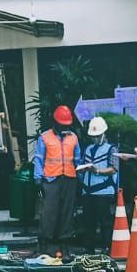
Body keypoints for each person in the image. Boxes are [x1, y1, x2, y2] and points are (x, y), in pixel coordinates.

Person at [35, 105, 81, 254]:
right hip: (50, 180)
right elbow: (39, 159)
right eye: (62, 124)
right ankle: (45, 243)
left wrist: (80, 174)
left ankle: (64, 242)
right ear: (56, 122)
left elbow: (77, 159)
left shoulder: (73, 137)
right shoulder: (45, 137)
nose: (64, 127)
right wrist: (38, 178)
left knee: (67, 212)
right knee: (49, 212)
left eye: (67, 124)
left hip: (69, 179)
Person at [79, 116, 118, 256]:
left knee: (105, 222)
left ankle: (106, 247)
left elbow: (114, 168)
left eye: (97, 136)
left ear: (103, 134)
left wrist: (98, 170)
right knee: (88, 222)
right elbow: (83, 164)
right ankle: (88, 248)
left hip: (103, 191)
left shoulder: (111, 149)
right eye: (93, 136)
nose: (95, 139)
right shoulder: (88, 148)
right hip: (88, 191)